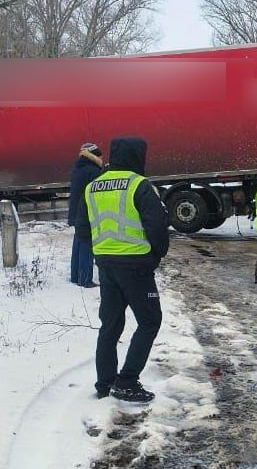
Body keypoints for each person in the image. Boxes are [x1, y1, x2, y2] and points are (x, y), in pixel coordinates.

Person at [83, 137, 169, 403]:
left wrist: (102, 252)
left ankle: (105, 382)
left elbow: (83, 229)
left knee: (110, 324)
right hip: (135, 265)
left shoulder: (92, 187)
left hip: (106, 265)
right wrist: (154, 256)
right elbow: (157, 226)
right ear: (137, 156)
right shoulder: (139, 185)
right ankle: (128, 381)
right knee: (150, 321)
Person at [68, 143, 104, 288]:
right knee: (87, 245)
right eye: (100, 155)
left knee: (78, 243)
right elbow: (97, 194)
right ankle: (85, 279)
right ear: (94, 155)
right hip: (87, 213)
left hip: (76, 212)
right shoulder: (93, 171)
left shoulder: (78, 168)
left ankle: (75, 276)